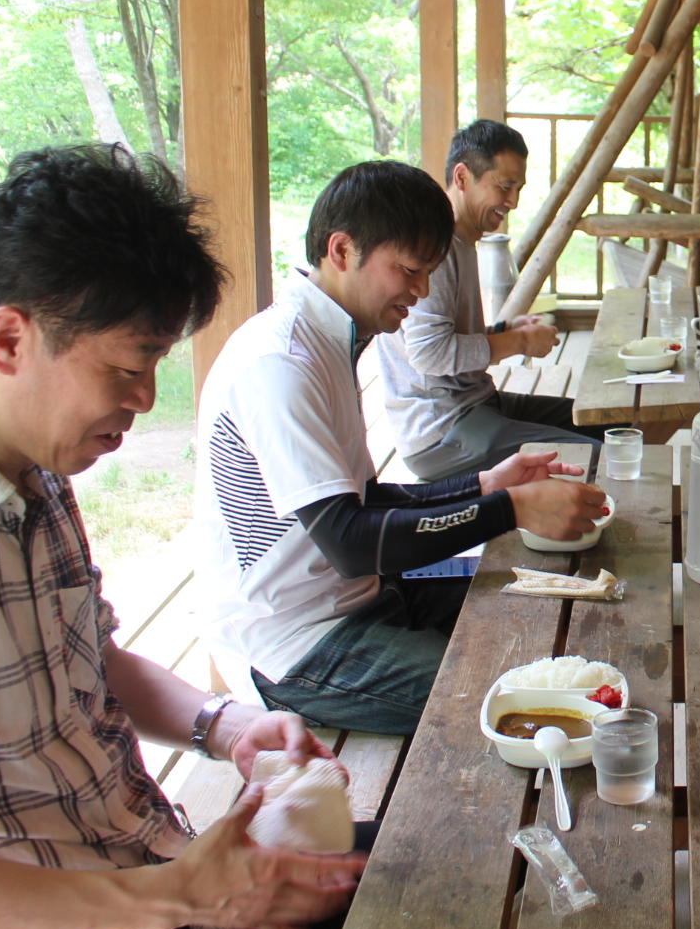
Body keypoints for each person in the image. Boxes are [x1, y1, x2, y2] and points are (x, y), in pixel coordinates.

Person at [0, 145, 364, 929]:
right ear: (8, 339)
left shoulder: (34, 465)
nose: (143, 400)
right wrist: (174, 897)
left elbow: (85, 657)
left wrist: (227, 726)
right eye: (130, 367)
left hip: (150, 868)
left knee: (422, 876)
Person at [195, 160, 604, 736]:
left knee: (556, 610)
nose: (420, 290)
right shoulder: (281, 363)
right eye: (409, 270)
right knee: (518, 701)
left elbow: (361, 500)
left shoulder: (326, 338)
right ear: (342, 250)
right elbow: (350, 542)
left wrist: (485, 485)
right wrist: (508, 511)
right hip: (297, 643)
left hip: (363, 598)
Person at [377, 119, 599, 482]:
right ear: (462, 178)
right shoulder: (438, 247)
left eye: (518, 189)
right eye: (505, 186)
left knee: (611, 427)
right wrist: (519, 341)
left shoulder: (461, 243)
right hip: (442, 431)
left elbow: (449, 336)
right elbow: (428, 354)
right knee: (602, 459)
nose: (512, 202)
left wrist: (503, 330)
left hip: (477, 404)